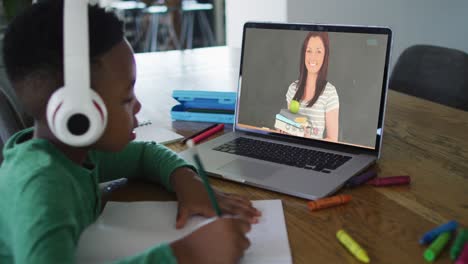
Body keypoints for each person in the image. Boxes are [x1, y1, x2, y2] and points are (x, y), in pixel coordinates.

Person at [0, 2, 260, 263]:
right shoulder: (42, 189)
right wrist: (186, 254)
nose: (137, 106)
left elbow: (144, 155)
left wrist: (187, 182)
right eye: (126, 98)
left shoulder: (74, 153)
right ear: (78, 114)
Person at [285, 32, 340, 141]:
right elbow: (289, 127)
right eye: (309, 51)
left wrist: (309, 141)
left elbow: (333, 139)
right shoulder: (293, 89)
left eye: (318, 51)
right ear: (304, 53)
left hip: (314, 152)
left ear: (325, 55)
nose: (312, 57)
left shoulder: (330, 92)